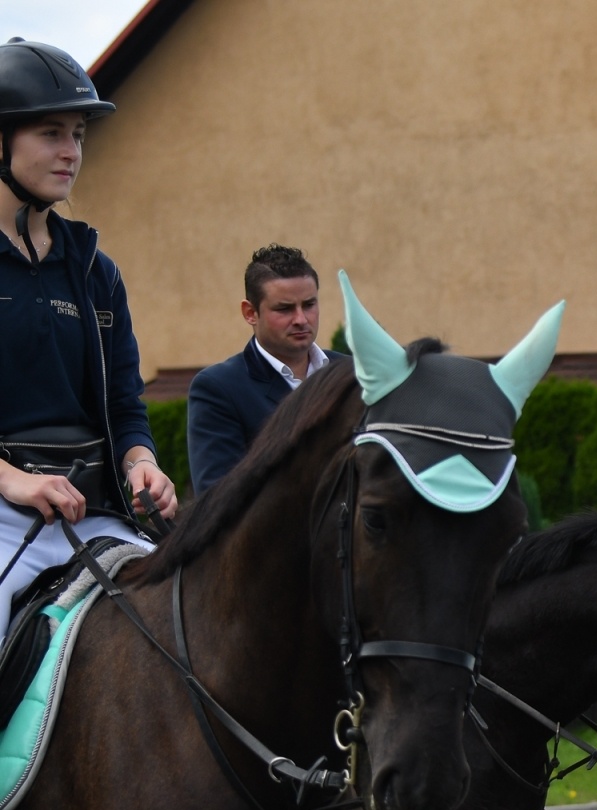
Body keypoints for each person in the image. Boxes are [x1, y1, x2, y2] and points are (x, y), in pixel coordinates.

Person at [0, 38, 176, 635]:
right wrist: (14, 480)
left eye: (78, 134)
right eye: (51, 133)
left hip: (96, 513)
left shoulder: (99, 271)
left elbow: (126, 404)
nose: (71, 151)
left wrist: (142, 463)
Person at [187, 244, 342, 493]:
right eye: (285, 308)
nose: (301, 319)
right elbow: (217, 501)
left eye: (309, 305)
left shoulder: (352, 372)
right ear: (250, 313)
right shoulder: (218, 388)